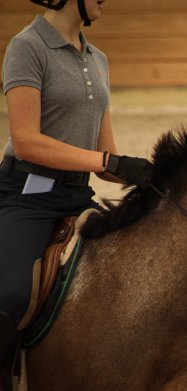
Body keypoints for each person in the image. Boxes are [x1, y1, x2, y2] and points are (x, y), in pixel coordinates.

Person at [0, 0, 153, 372]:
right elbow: (26, 142)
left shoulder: (98, 59)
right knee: (12, 293)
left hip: (76, 194)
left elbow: (105, 158)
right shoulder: (27, 47)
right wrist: (106, 162)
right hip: (27, 195)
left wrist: (147, 173)